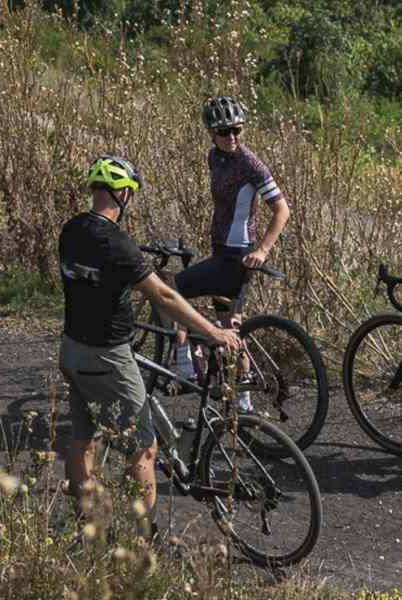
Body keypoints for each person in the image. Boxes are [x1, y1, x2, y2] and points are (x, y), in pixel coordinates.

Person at [58, 155, 241, 529]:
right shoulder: (116, 242)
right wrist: (213, 331)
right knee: (144, 447)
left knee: (82, 439)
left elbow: (100, 280)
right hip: (108, 358)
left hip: (72, 350)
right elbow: (165, 297)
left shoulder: (71, 230)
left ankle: (86, 526)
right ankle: (143, 539)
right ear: (122, 193)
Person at [169, 96, 291, 411]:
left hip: (237, 258)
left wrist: (262, 250)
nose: (232, 137)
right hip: (220, 252)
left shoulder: (250, 163)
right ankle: (245, 404)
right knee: (230, 329)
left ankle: (185, 369)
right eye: (224, 132)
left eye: (237, 129)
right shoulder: (214, 157)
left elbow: (282, 210)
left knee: (170, 289)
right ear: (211, 132)